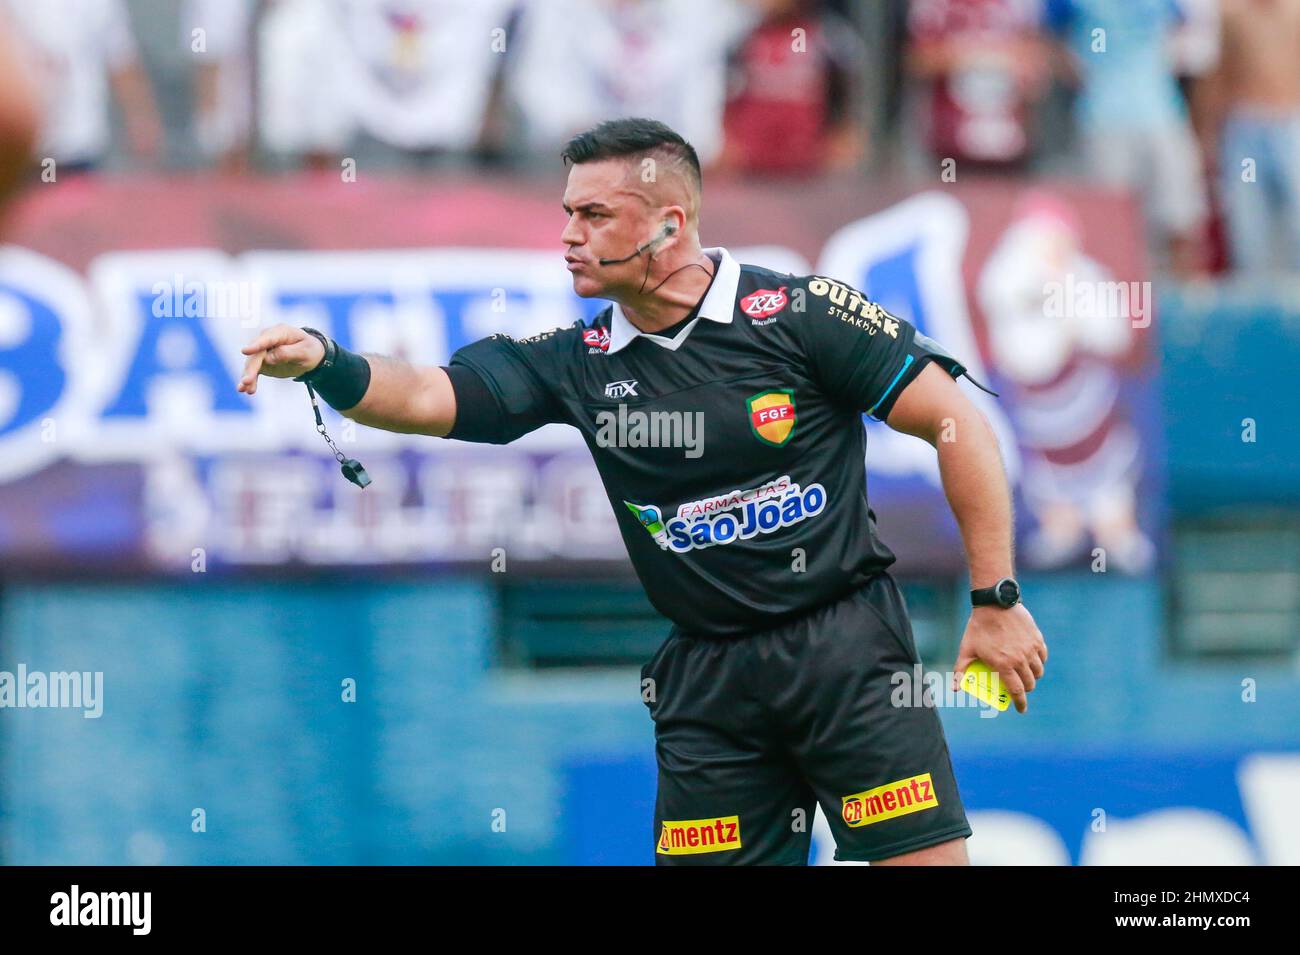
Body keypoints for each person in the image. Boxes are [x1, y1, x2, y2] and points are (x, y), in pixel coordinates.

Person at [237, 118, 1048, 865]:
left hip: (846, 652)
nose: (568, 236)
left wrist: (995, 595)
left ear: (670, 225)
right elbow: (423, 395)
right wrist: (324, 359)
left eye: (593, 215)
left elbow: (955, 422)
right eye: (566, 212)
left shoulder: (799, 315)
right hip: (707, 676)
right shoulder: (575, 359)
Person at [1195, 0, 1300, 274]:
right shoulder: (1231, 15)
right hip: (1245, 129)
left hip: (1290, 124)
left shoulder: (1295, 13)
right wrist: (1205, 137)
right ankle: (1254, 296)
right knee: (1247, 223)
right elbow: (1216, 77)